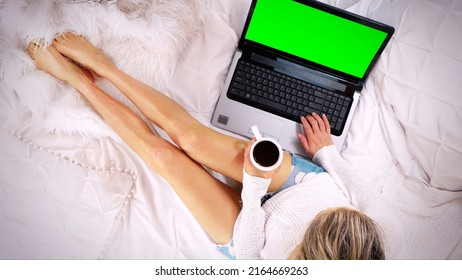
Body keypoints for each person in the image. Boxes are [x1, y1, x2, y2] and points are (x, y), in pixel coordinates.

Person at [27, 33, 392, 259]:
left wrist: (252, 188)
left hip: (252, 235)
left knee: (162, 156)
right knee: (190, 138)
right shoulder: (368, 235)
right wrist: (326, 153)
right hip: (298, 185)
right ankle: (107, 69)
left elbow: (250, 252)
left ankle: (79, 81)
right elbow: (359, 194)